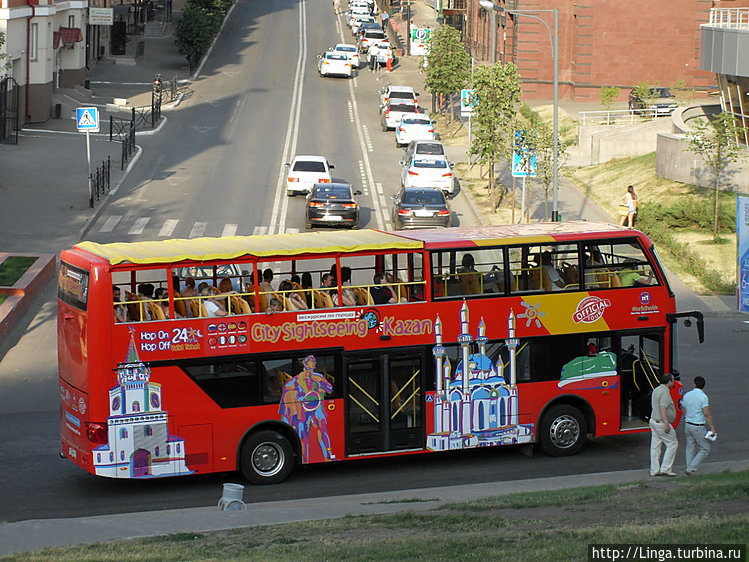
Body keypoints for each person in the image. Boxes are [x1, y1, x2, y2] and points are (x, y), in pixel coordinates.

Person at [682, 376, 716, 475]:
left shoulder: (687, 395)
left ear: (694, 384)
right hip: (697, 426)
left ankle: (689, 467)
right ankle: (691, 468)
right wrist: (712, 427)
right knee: (705, 448)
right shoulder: (703, 397)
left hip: (688, 424)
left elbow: (684, 409)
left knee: (690, 446)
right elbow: (706, 413)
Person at [649, 373, 678, 477]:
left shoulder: (656, 390)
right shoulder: (665, 392)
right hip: (661, 423)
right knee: (673, 444)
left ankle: (654, 470)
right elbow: (663, 408)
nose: (674, 382)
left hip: (653, 420)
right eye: (673, 380)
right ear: (669, 382)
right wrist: (666, 423)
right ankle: (666, 468)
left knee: (655, 446)